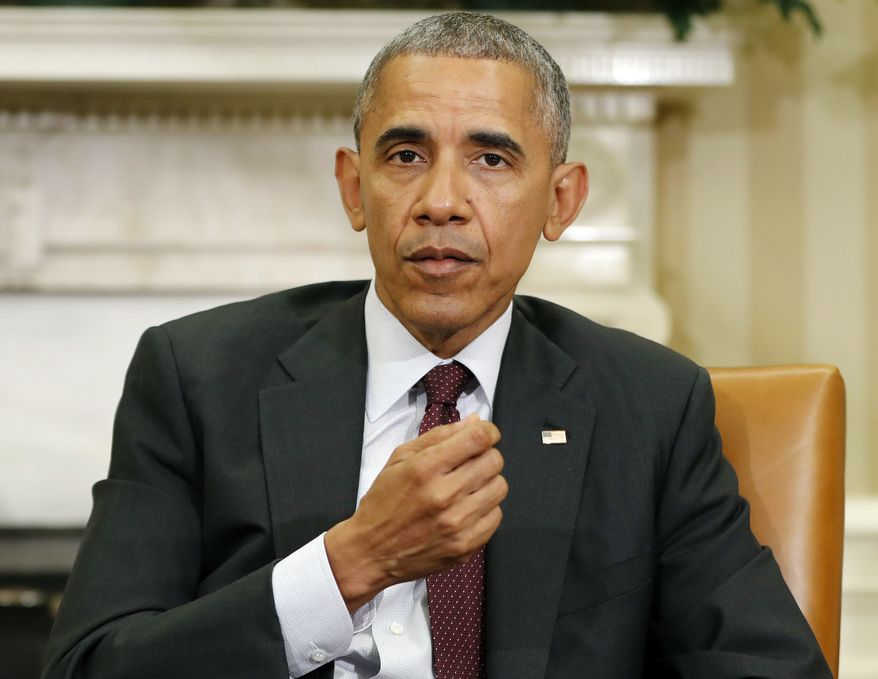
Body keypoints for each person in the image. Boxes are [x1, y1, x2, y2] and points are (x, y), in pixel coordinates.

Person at [43, 11, 831, 679]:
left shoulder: (649, 406)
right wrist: (350, 563)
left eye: (490, 158)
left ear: (562, 200)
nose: (441, 202)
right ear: (356, 188)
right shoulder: (199, 377)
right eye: (406, 155)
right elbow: (90, 662)